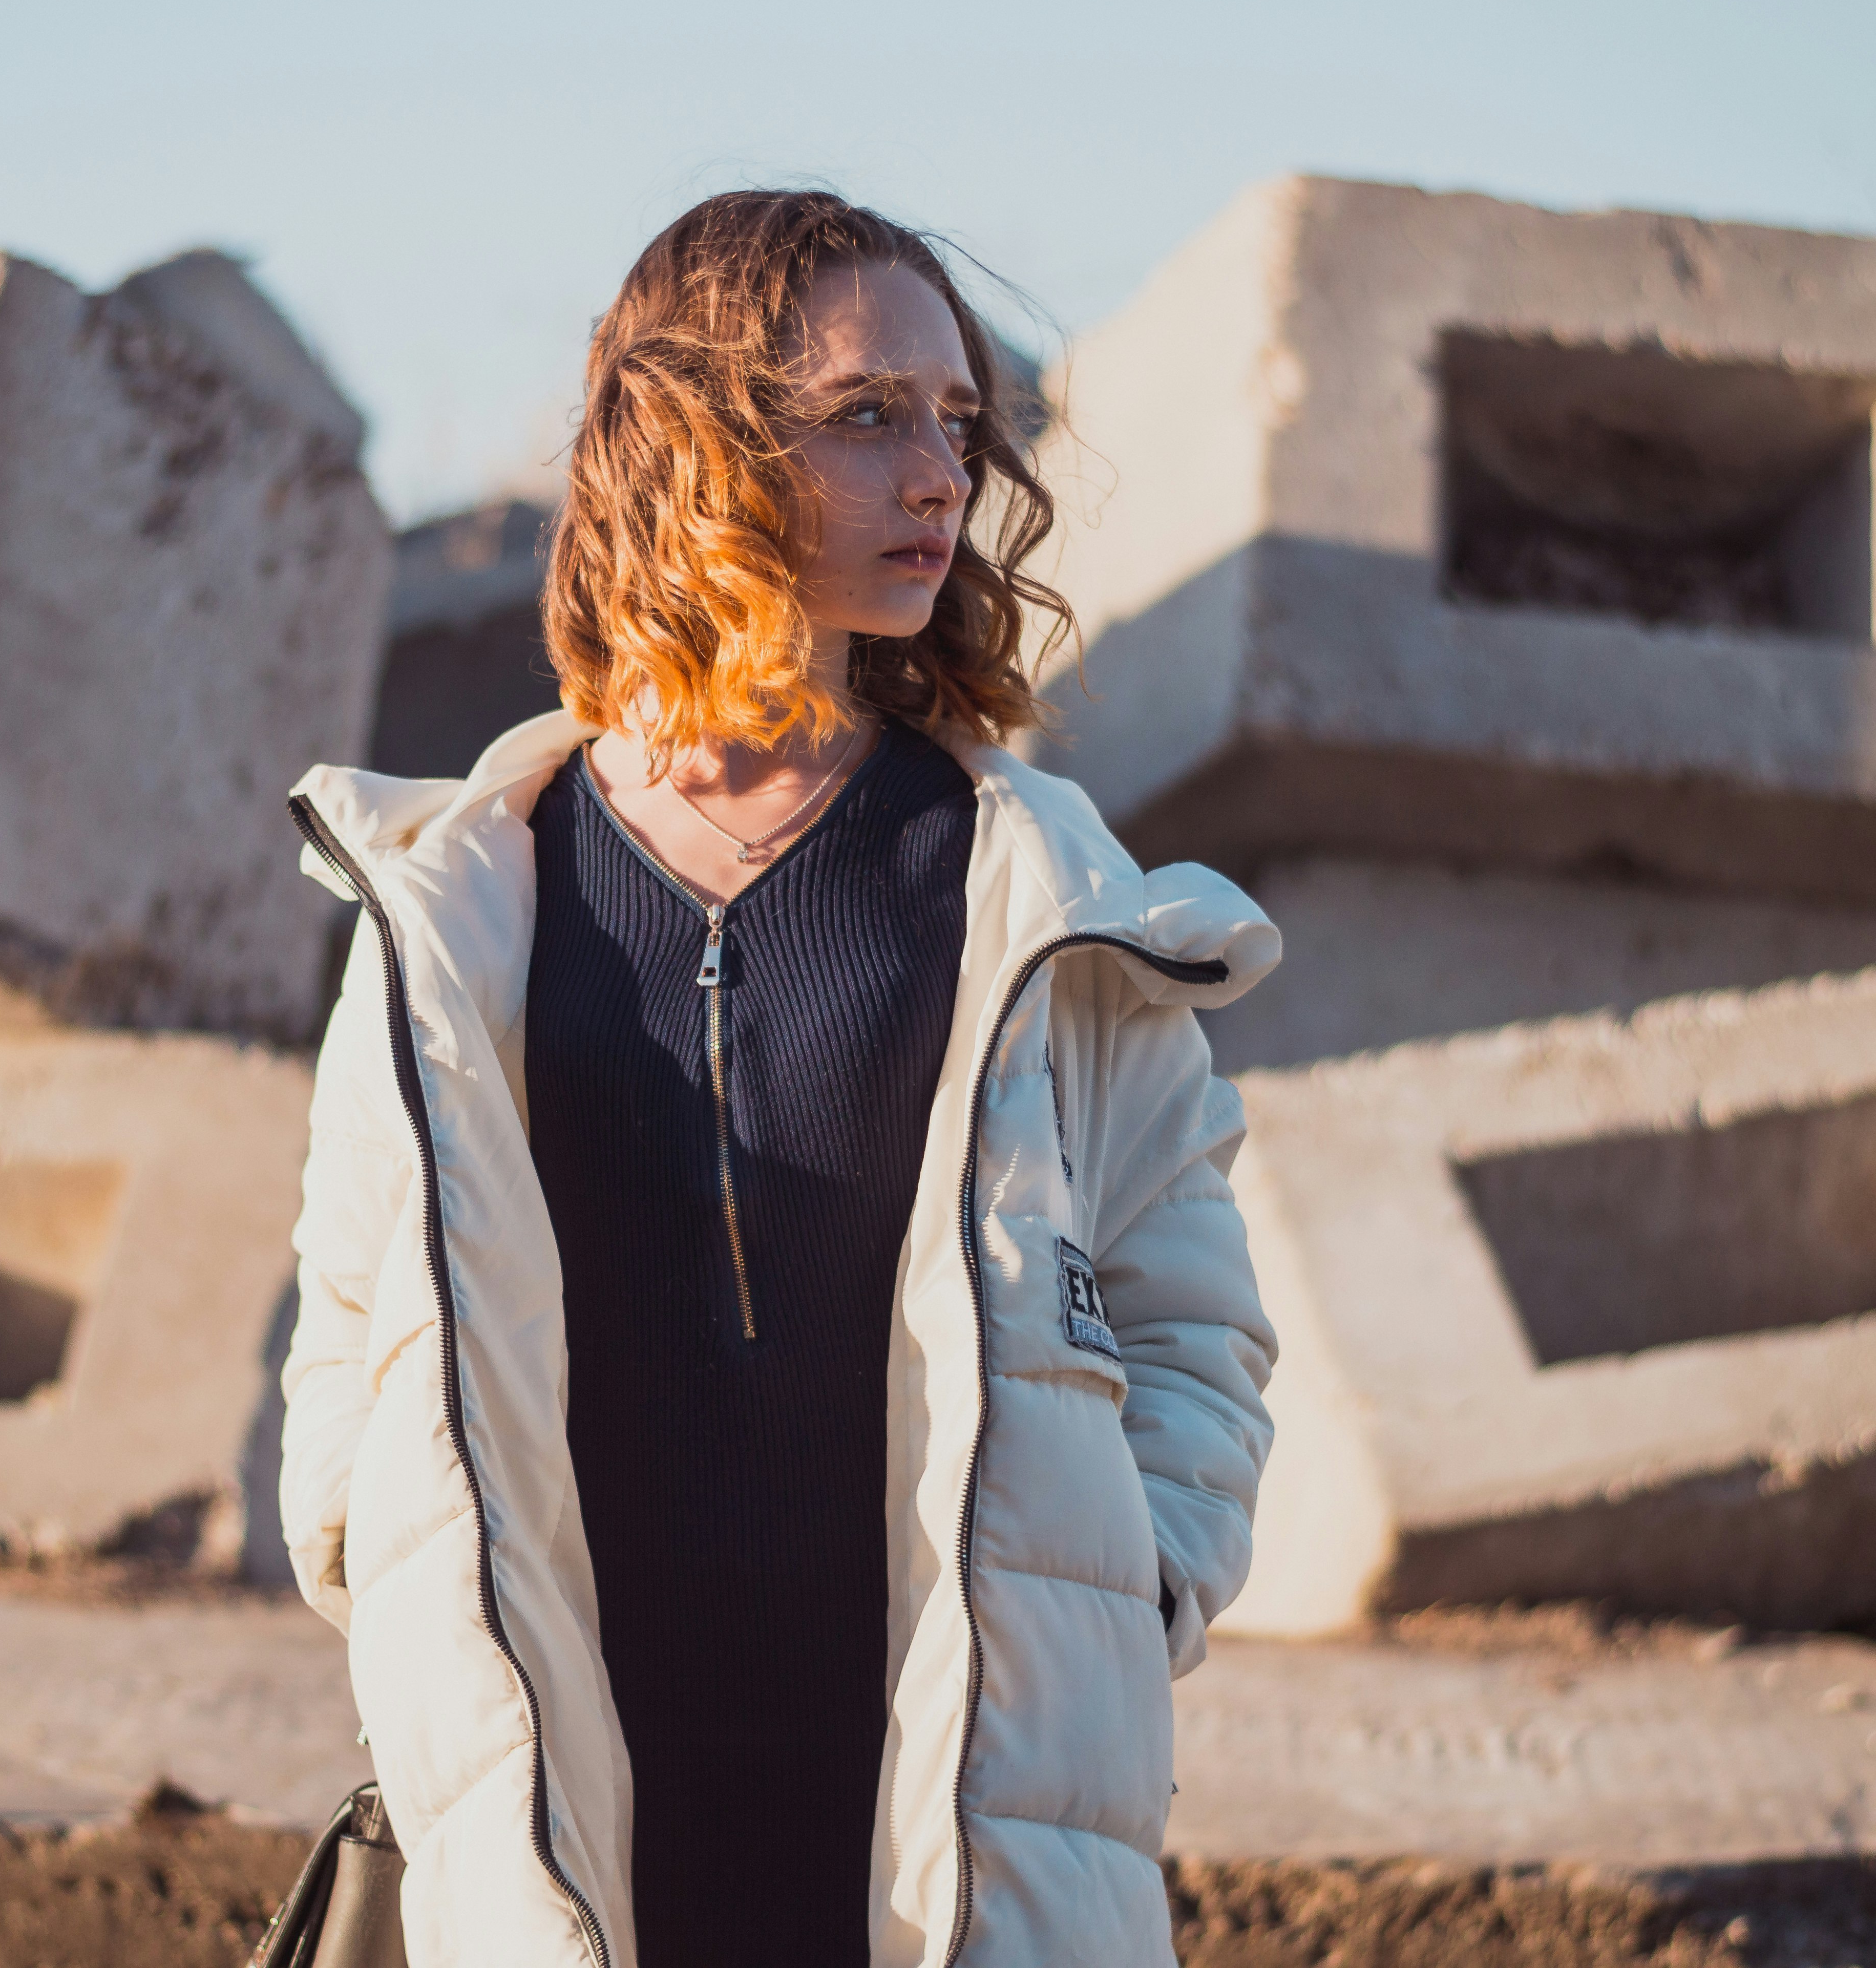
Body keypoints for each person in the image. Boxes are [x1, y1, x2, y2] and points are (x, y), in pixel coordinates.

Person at [279, 191, 1281, 1968]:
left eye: (959, 425)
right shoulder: (458, 900)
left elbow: (1186, 1308)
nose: (939, 479)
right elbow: (357, 1323)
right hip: (576, 1813)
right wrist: (403, 1612)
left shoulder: (1029, 887)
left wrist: (1129, 1595)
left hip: (945, 1820)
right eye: (867, 416)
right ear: (690, 444)